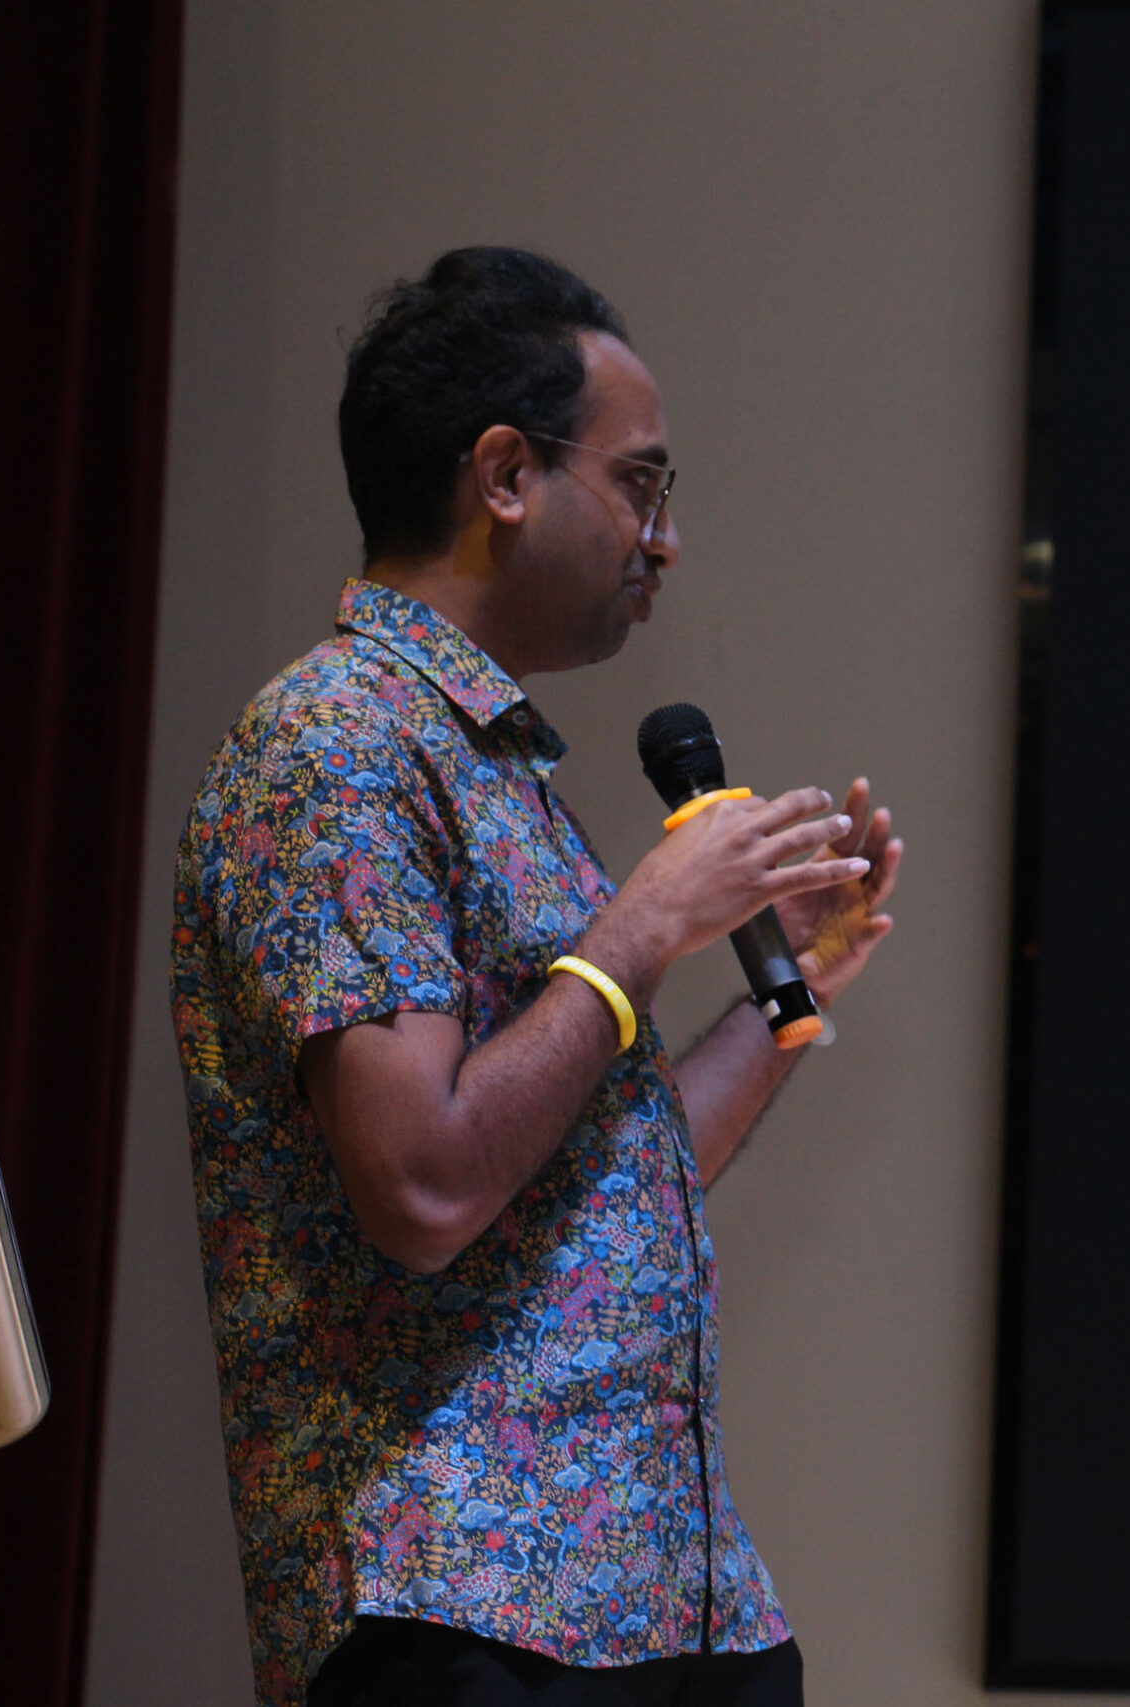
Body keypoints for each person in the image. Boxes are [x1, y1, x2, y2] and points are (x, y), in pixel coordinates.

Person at [171, 247, 903, 1707]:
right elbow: (425, 1185)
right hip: (457, 1611)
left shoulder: (489, 765)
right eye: (642, 484)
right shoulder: (334, 746)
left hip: (667, 1601)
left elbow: (592, 1173)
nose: (665, 540)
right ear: (505, 475)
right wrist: (640, 927)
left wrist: (792, 993)